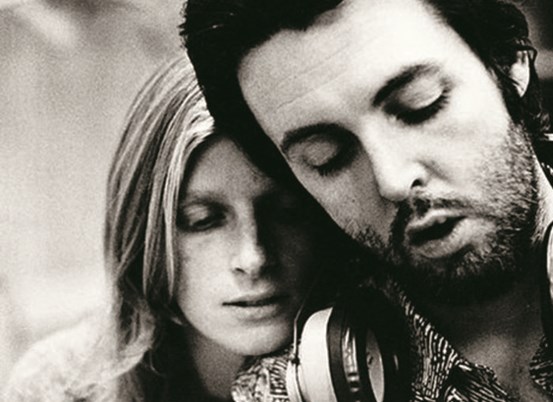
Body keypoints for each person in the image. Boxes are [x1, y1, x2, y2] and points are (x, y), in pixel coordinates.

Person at [181, 0, 553, 401]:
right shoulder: (282, 390)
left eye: (420, 105)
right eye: (326, 156)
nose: (392, 178)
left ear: (509, 63)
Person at [2, 55, 349, 401]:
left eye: (287, 212)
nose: (253, 257)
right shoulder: (60, 388)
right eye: (203, 220)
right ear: (146, 237)